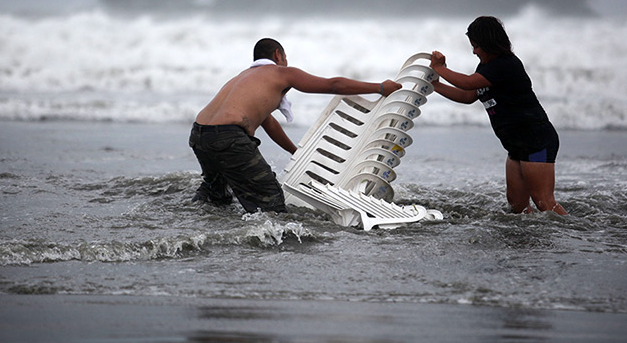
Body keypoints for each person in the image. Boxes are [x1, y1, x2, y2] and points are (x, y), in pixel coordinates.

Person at [189, 38, 402, 214]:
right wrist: (380, 87)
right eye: (285, 57)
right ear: (278, 55)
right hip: (228, 137)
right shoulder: (282, 73)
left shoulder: (243, 77)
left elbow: (269, 124)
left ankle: (197, 215)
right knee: (270, 200)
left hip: (200, 135)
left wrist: (296, 152)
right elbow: (333, 85)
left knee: (216, 192)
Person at [429, 16, 567, 215]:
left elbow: (467, 83)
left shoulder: (505, 65)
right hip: (515, 144)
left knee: (543, 201)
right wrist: (435, 85)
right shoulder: (485, 68)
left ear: (489, 44)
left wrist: (440, 68)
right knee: (517, 205)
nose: (474, 51)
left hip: (536, 140)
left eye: (476, 46)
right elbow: (467, 96)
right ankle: (528, 244)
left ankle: (576, 236)